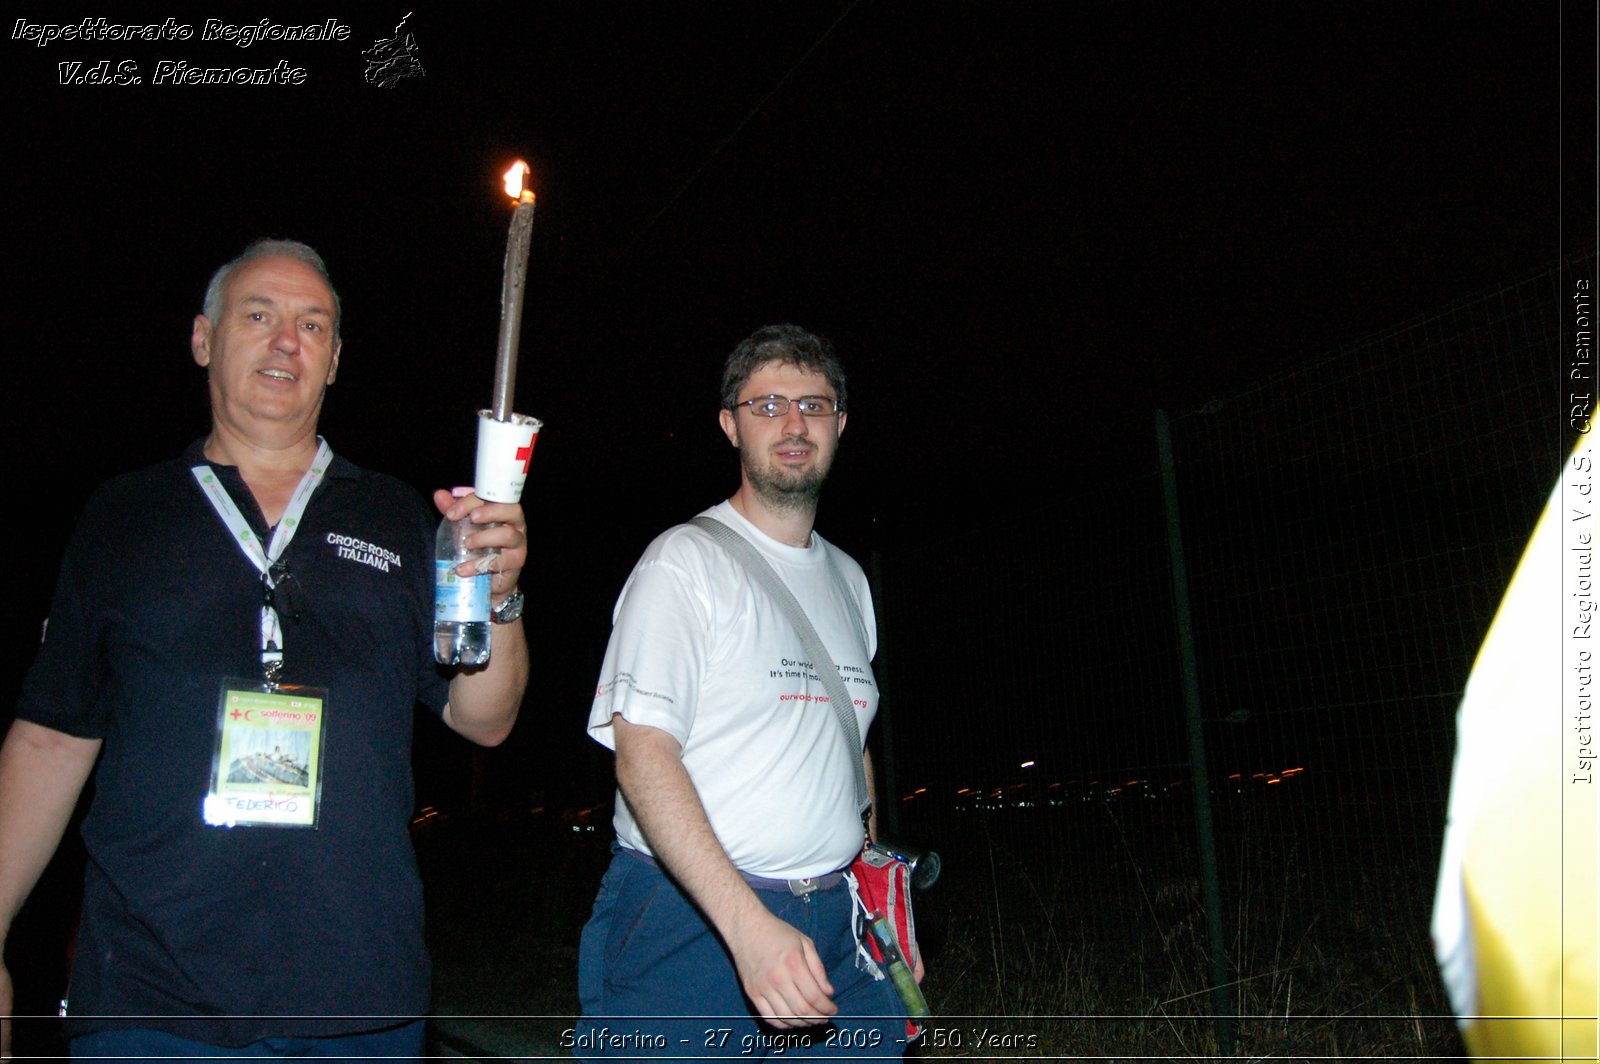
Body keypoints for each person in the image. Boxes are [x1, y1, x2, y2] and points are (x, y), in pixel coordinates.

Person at [0, 240, 529, 1060]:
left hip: (359, 998)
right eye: (260, 316)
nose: (288, 340)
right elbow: (48, 736)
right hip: (150, 993)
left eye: (312, 325)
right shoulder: (123, 518)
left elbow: (484, 718)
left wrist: (498, 593)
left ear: (335, 360)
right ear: (204, 340)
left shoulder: (399, 516)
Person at [575, 324, 917, 1059]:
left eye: (814, 406)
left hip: (833, 917)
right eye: (767, 406)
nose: (793, 425)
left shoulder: (850, 580)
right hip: (688, 926)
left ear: (840, 424)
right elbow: (642, 757)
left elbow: (844, 746)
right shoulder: (684, 562)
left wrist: (874, 887)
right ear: (730, 424)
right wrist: (745, 927)